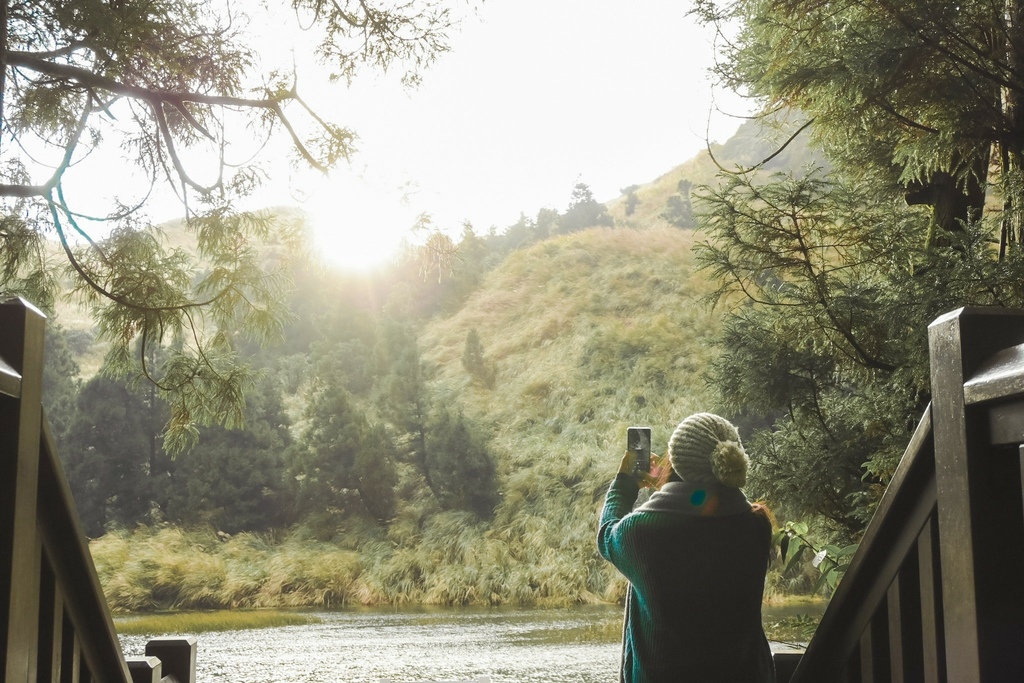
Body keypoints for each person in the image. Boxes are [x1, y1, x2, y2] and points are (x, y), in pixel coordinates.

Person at [597, 412, 776, 682]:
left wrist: (626, 481)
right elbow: (696, 514)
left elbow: (607, 534)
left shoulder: (642, 532)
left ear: (676, 462)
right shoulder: (756, 524)